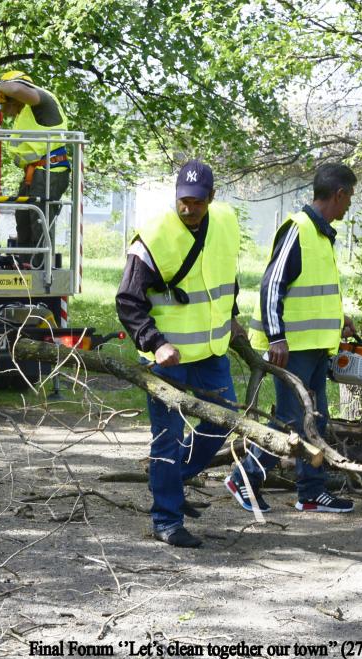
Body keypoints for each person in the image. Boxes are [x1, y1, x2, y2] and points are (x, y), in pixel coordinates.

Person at [116, 160, 246, 548]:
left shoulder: (224, 223)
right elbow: (127, 301)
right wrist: (157, 343)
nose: (188, 209)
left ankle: (172, 480)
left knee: (224, 421)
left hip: (211, 352)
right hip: (167, 361)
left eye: (197, 202)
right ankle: (166, 520)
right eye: (183, 201)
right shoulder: (154, 236)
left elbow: (226, 275)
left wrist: (233, 317)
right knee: (167, 438)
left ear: (212, 198)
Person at [227, 163, 358, 514]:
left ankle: (311, 492)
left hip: (314, 348)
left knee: (315, 421)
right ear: (339, 194)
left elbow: (311, 291)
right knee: (288, 421)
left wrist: (338, 319)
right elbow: (272, 285)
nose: (348, 207)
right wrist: (276, 338)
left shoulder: (321, 233)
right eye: (349, 199)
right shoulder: (298, 229)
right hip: (292, 349)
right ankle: (245, 477)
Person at [0, 70, 70, 268]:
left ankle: (41, 272)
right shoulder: (26, 111)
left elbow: (15, 87)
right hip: (36, 172)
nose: (4, 109)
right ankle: (27, 266)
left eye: (4, 102)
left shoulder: (41, 100)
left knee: (39, 221)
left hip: (51, 170)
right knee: (23, 218)